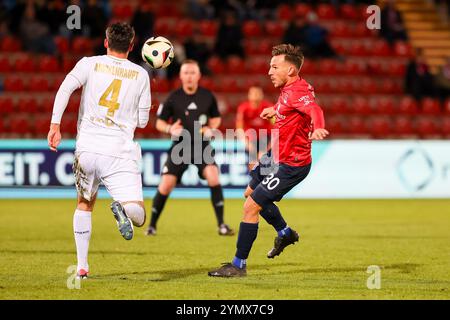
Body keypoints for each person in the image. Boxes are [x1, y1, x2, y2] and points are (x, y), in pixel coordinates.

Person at [208, 44, 329, 277]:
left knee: (251, 206)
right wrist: (274, 110)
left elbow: (315, 110)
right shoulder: (289, 90)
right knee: (249, 194)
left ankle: (238, 265)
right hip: (276, 155)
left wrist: (319, 128)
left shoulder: (297, 92)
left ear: (291, 70)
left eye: (275, 67)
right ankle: (284, 233)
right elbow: (290, 108)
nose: (269, 71)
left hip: (291, 164)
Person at [47, 22, 151, 279]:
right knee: (138, 215)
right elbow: (142, 122)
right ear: (132, 45)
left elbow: (65, 88)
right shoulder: (140, 74)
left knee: (84, 203)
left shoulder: (88, 63)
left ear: (105, 42)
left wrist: (55, 124)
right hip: (119, 152)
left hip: (88, 149)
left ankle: (82, 267)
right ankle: (123, 210)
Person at [145, 59, 234, 236]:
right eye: (186, 73)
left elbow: (216, 118)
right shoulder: (173, 98)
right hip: (180, 147)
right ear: (180, 75)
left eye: (193, 73)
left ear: (199, 75)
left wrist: (210, 127)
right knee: (166, 185)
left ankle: (222, 225)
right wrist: (170, 128)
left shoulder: (207, 96)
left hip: (201, 146)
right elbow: (160, 123)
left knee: (213, 176)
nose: (189, 76)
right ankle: (152, 225)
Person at [235, 86, 273, 170]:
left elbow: (276, 127)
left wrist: (269, 146)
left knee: (263, 161)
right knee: (253, 162)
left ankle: (265, 179)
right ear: (249, 95)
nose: (256, 96)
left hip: (265, 137)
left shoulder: (268, 107)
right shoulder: (243, 108)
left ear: (262, 95)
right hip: (250, 138)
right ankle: (253, 179)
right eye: (253, 93)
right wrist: (247, 143)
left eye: (258, 93)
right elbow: (239, 129)